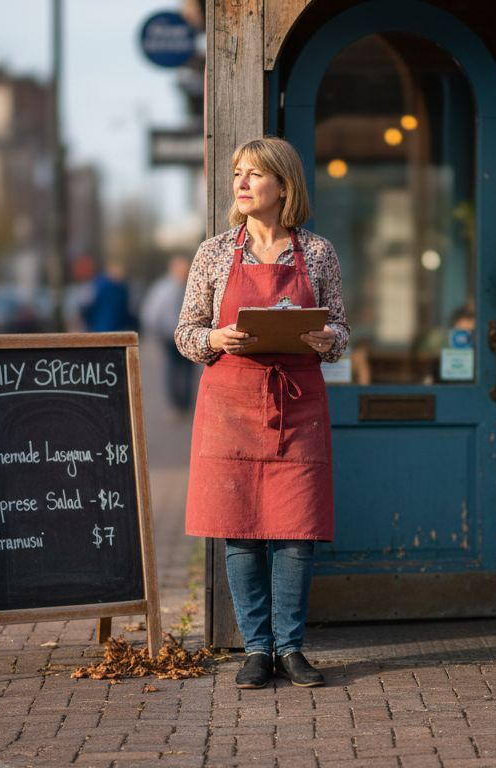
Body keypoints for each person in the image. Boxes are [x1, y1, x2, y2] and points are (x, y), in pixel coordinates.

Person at [176, 136, 348, 689]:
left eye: (254, 173)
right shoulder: (213, 253)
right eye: (237, 174)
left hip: (297, 403)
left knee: (296, 531)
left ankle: (291, 649)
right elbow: (184, 332)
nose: (242, 183)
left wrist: (325, 338)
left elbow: (342, 331)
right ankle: (256, 649)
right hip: (231, 404)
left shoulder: (317, 253)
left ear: (283, 184)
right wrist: (218, 337)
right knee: (241, 530)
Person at [140, 256, 195, 414]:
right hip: (169, 335)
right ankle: (176, 404)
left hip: (189, 335)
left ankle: (185, 403)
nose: (184, 272)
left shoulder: (191, 285)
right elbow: (151, 313)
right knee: (173, 369)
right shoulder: (163, 288)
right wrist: (155, 335)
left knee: (187, 370)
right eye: (182, 269)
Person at [82, 263, 136, 332]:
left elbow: (87, 308)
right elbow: (126, 313)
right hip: (113, 330)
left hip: (98, 328)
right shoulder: (122, 289)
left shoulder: (96, 285)